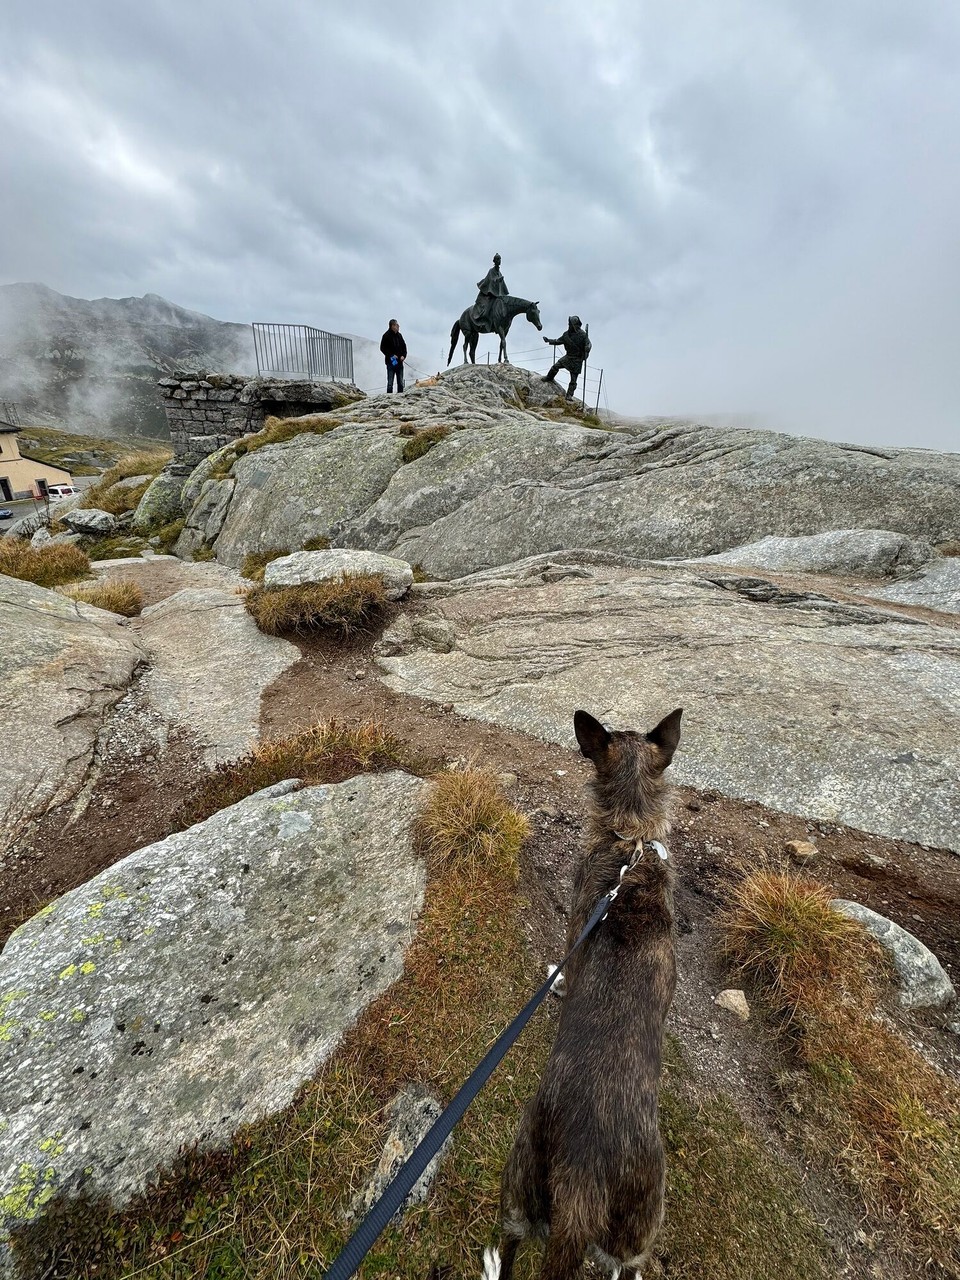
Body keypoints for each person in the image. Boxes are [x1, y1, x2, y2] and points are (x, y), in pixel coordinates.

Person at [542, 315, 592, 400]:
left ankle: (569, 395)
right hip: (568, 357)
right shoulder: (566, 335)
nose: (569, 326)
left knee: (573, 380)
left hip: (577, 359)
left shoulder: (583, 335)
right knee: (555, 366)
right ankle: (549, 377)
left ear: (576, 325)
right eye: (569, 324)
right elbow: (558, 341)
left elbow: (589, 344)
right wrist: (549, 340)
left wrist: (587, 348)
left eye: (571, 324)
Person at [472, 253, 509, 328]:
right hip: (490, 294)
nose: (499, 261)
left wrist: (504, 291)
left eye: (500, 259)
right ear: (494, 261)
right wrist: (497, 280)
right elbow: (491, 280)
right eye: (498, 259)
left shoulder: (499, 272)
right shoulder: (491, 271)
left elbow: (501, 284)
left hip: (497, 295)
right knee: (488, 306)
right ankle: (483, 321)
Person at [380, 319, 407, 393]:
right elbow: (382, 348)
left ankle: (400, 398)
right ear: (392, 326)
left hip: (400, 363)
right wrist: (391, 355)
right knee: (390, 383)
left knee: (400, 383)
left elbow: (404, 347)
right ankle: (389, 399)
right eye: (396, 325)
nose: (398, 326)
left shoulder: (399, 335)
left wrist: (403, 356)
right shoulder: (386, 336)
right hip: (390, 362)